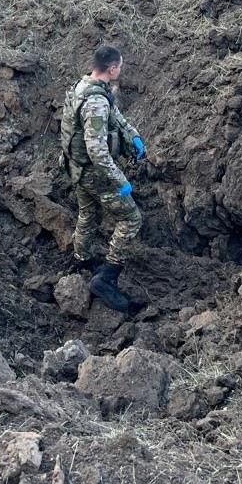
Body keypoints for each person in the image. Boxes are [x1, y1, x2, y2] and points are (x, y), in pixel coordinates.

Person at [59, 45, 146, 313]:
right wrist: (120, 180)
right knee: (131, 219)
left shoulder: (85, 86)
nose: (121, 70)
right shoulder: (95, 102)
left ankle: (82, 260)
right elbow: (97, 151)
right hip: (96, 174)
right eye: (120, 67)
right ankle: (106, 278)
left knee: (88, 214)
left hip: (76, 168)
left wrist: (133, 135)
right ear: (112, 68)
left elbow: (114, 114)